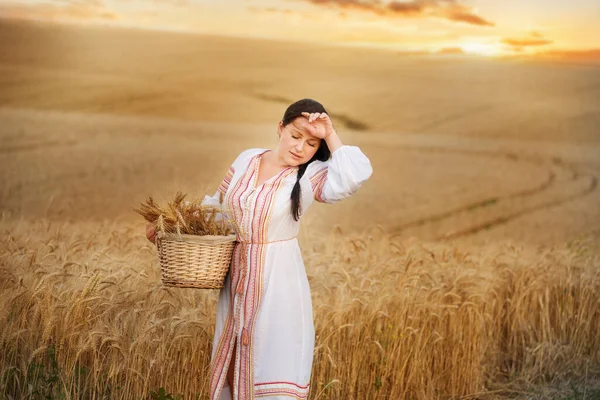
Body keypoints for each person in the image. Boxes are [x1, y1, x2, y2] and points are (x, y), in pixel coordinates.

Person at [147, 98, 373, 399]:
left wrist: (330, 134)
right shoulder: (248, 159)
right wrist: (172, 224)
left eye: (311, 143)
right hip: (236, 277)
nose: (300, 148)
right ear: (280, 128)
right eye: (295, 136)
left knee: (271, 362)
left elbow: (353, 176)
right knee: (234, 357)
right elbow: (217, 208)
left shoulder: (310, 175)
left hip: (278, 284)